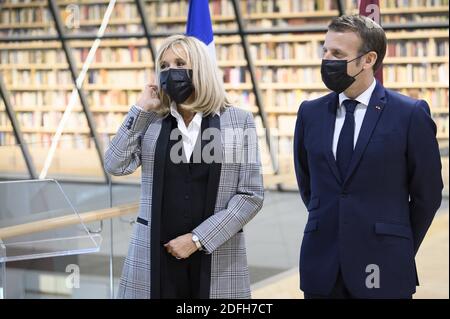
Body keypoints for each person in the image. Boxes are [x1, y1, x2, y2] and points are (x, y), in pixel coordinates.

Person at [293, 15, 443, 299]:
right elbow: (309, 187)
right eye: (324, 51)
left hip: (385, 265)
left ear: (368, 60)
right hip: (321, 267)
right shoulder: (309, 113)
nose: (327, 60)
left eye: (338, 54)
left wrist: (398, 243)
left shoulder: (409, 114)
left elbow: (428, 194)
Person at [104, 34, 264, 299]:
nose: (171, 72)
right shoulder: (152, 120)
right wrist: (140, 109)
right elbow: (115, 164)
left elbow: (250, 195)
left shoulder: (238, 121)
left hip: (215, 253)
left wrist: (197, 240)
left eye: (180, 63)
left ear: (201, 68)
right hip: (154, 257)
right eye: (164, 66)